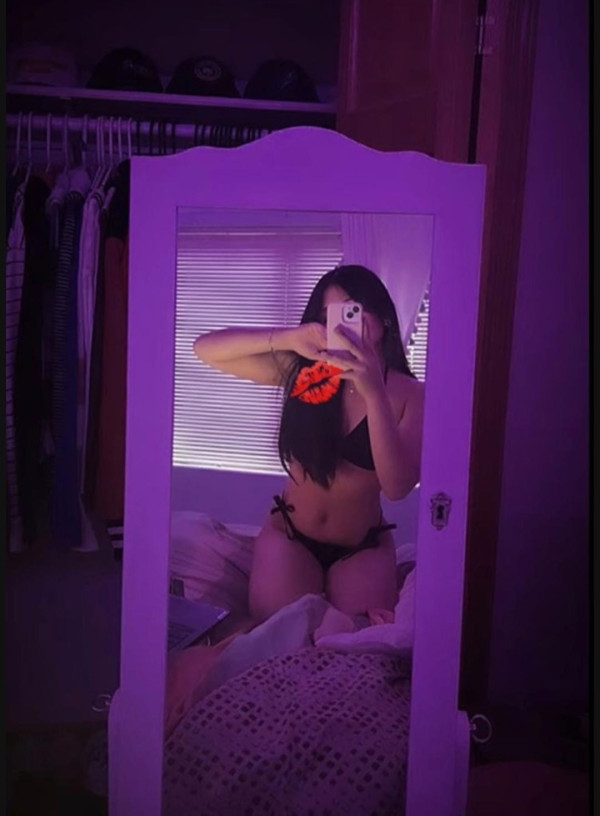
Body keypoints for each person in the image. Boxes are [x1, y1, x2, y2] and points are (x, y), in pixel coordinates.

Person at [193, 265, 424, 623]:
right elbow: (205, 349)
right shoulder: (308, 373)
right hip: (291, 536)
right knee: (278, 634)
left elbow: (397, 488)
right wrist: (289, 337)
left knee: (355, 643)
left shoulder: (411, 395)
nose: (341, 324)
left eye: (352, 310)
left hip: (361, 546)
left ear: (383, 317)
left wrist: (374, 393)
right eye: (327, 316)